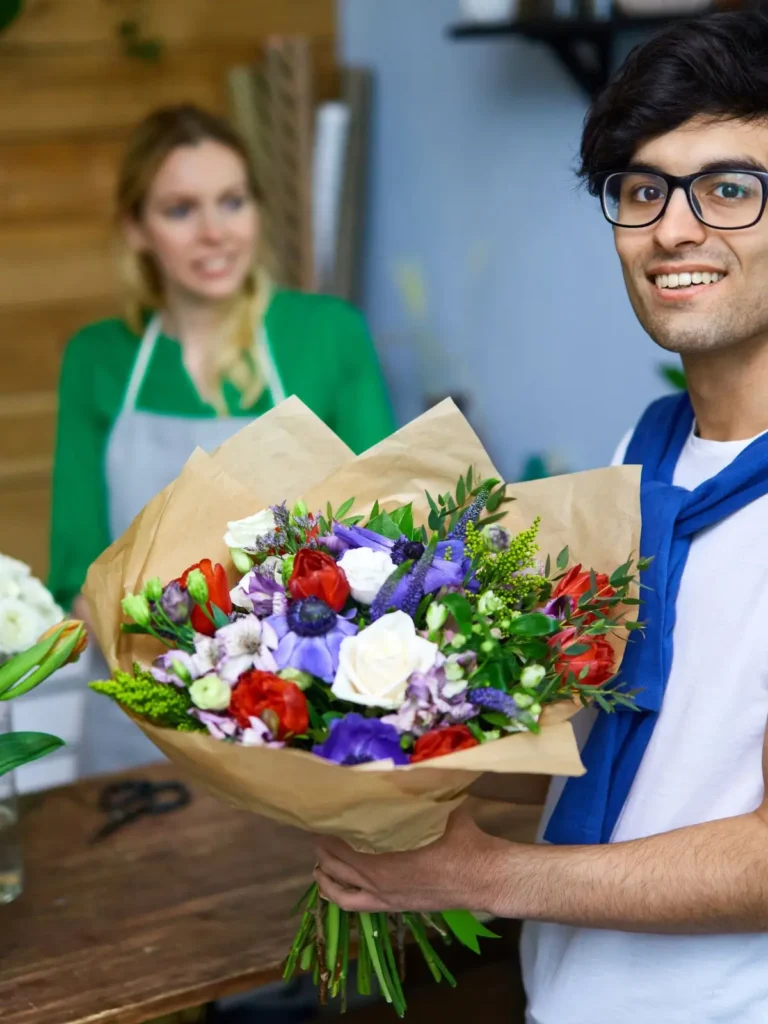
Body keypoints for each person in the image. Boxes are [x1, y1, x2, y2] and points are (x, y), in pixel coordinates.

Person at [311, 10, 768, 1023]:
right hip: (565, 991)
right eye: (642, 190)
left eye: (731, 189)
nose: (674, 228)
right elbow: (627, 745)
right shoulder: (641, 449)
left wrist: (478, 873)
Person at [50, 104, 394, 776]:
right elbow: (78, 572)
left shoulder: (329, 334)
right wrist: (179, 698)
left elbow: (383, 525)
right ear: (137, 228)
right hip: (143, 722)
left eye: (231, 202)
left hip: (301, 715)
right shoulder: (98, 360)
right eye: (180, 210)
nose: (214, 233)